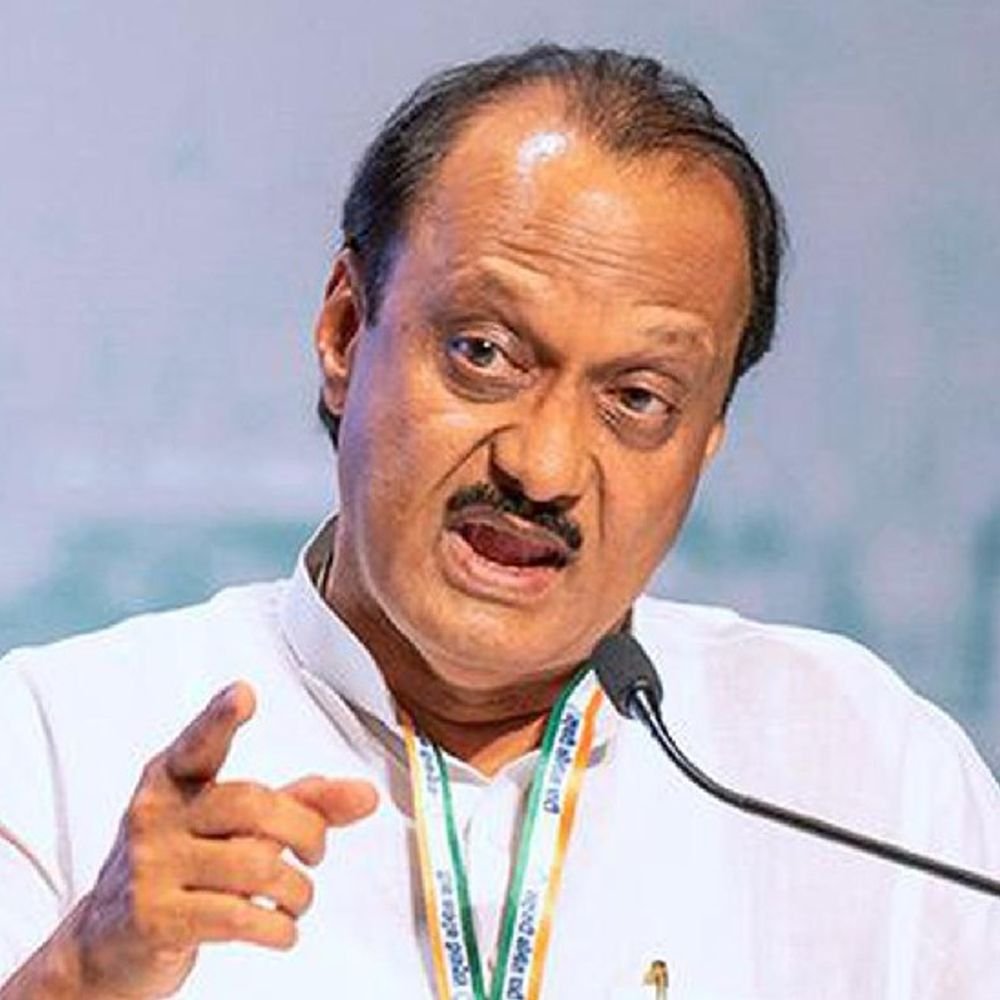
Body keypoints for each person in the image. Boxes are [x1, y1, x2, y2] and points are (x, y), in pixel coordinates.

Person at [0, 44, 997, 1000]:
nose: (543, 466)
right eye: (484, 352)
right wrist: (79, 978)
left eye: (638, 398)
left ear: (706, 442)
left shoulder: (866, 774)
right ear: (344, 332)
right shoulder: (54, 745)